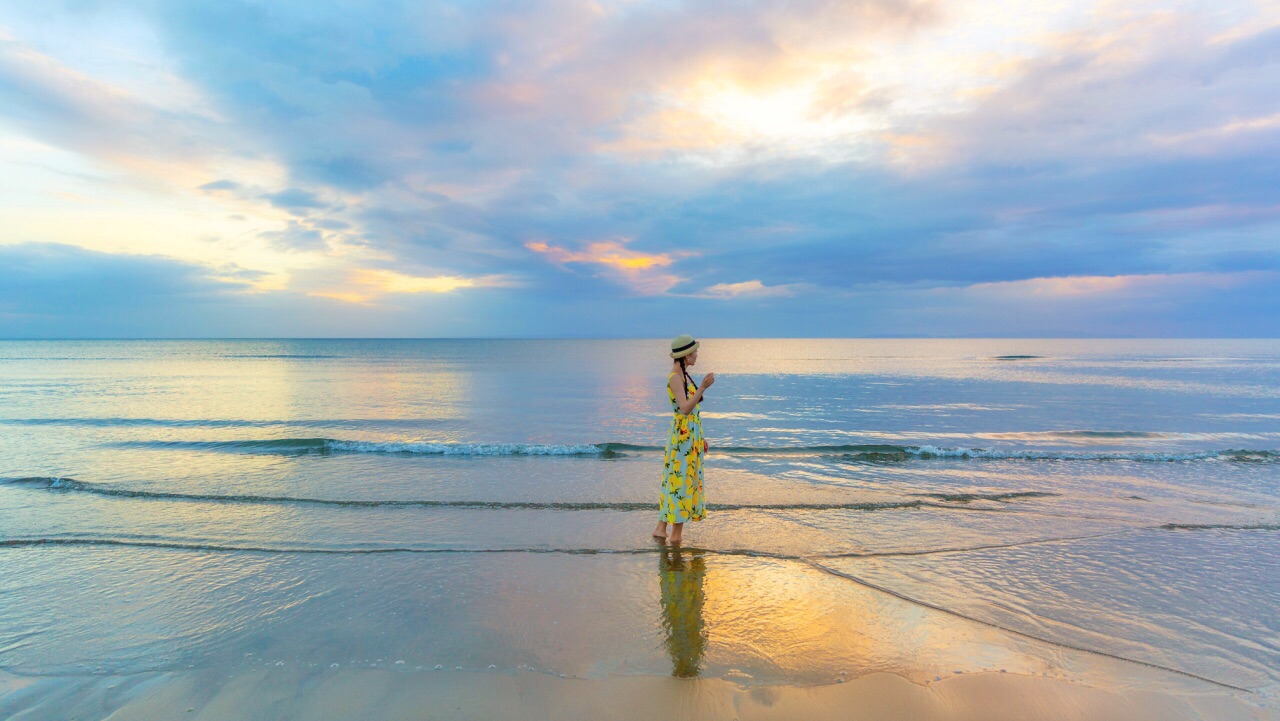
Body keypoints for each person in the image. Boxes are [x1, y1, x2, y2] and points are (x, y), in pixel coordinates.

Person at [653, 334, 714, 544]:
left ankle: (661, 528)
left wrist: (701, 438)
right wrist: (703, 387)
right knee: (681, 483)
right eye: (694, 351)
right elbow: (685, 408)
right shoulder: (675, 378)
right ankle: (676, 536)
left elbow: (693, 410)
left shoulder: (683, 375)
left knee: (677, 481)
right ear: (686, 355)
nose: (697, 354)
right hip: (682, 438)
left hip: (689, 436)